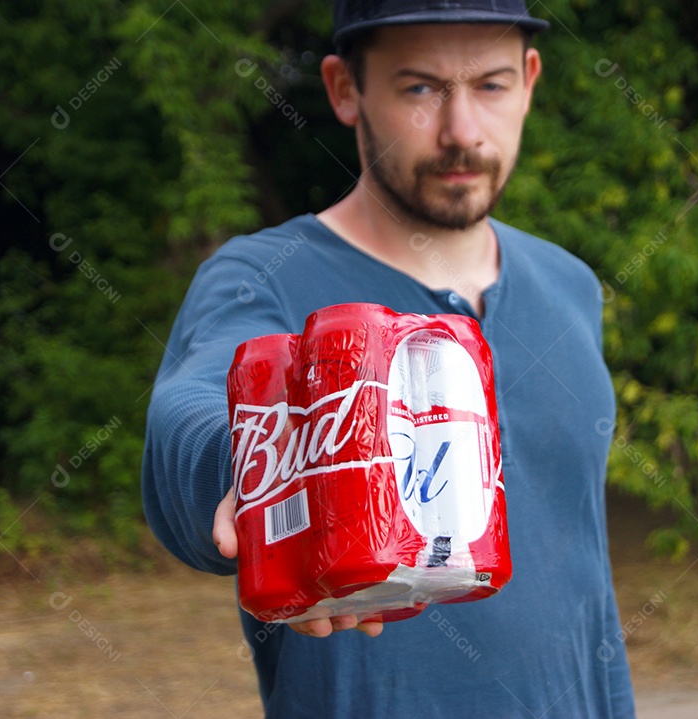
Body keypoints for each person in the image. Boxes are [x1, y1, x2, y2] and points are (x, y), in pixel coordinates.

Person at [142, 1, 636, 716]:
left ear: (530, 81)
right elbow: (188, 413)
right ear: (345, 90)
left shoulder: (570, 284)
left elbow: (586, 578)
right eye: (420, 88)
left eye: (491, 86)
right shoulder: (265, 276)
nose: (462, 131)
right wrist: (252, 471)